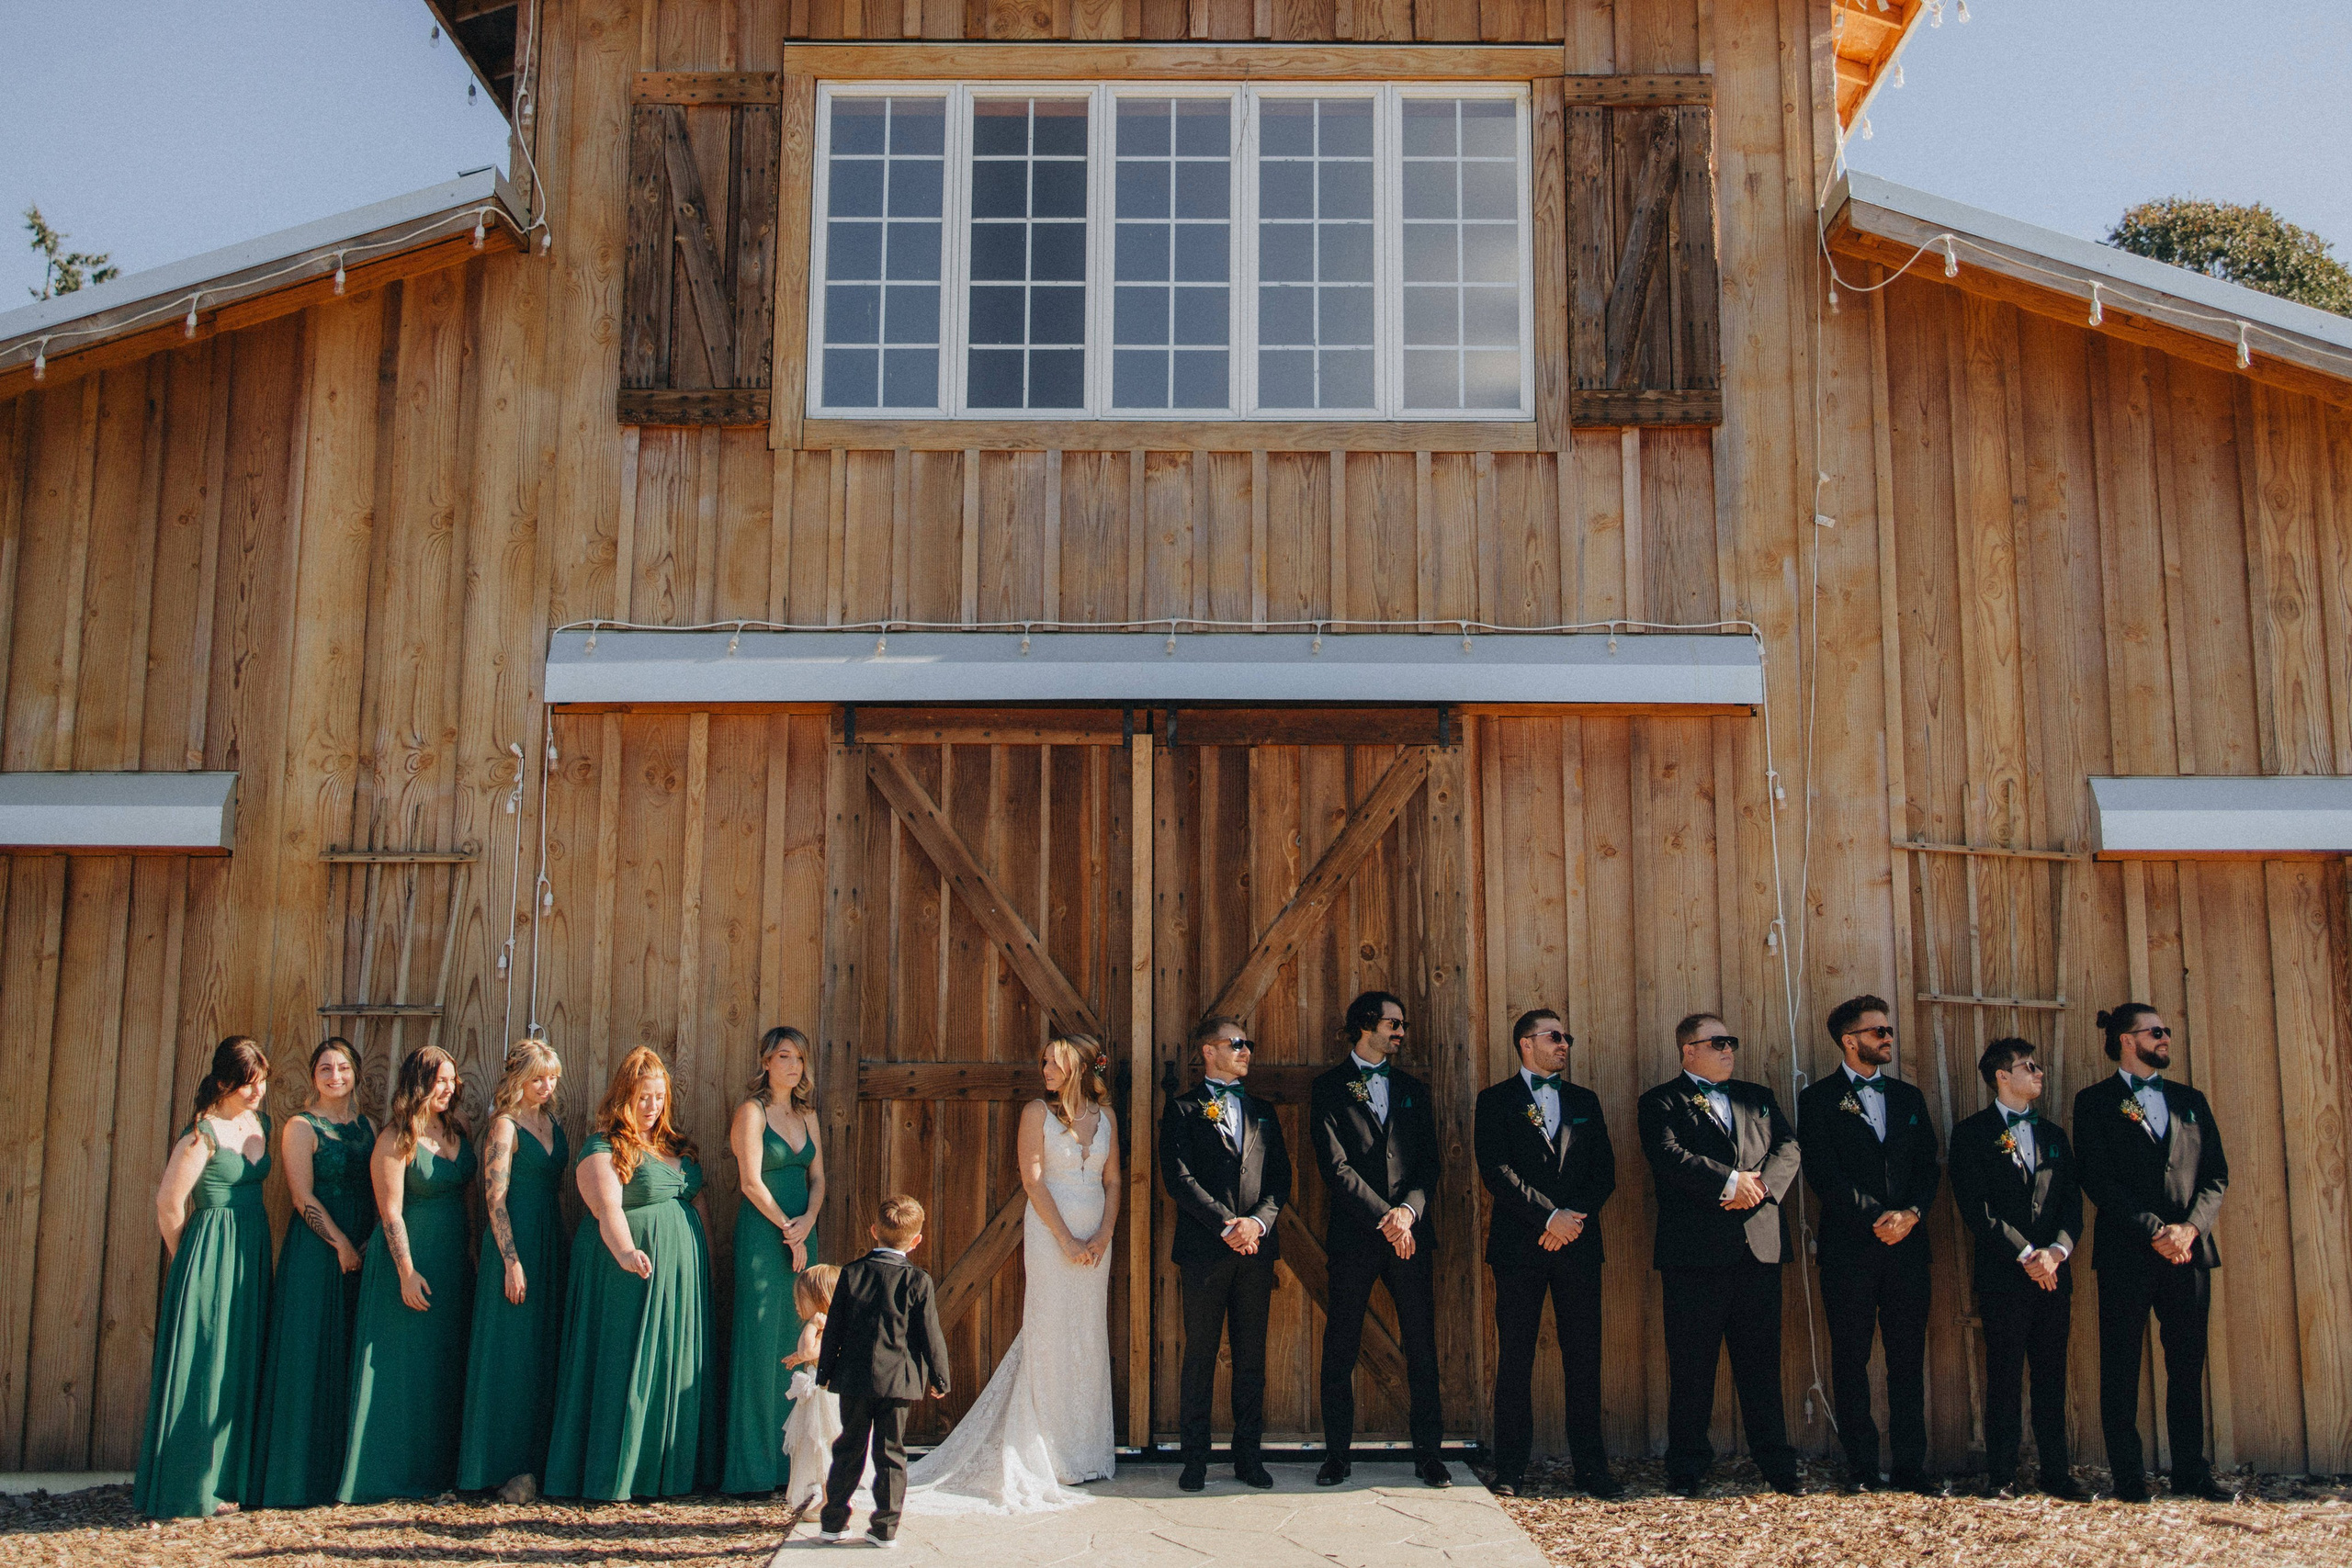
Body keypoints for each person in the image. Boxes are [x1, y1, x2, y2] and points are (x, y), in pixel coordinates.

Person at [904, 1032, 1121, 1511]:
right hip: (1051, 1232)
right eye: (1043, 1061)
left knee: (1087, 1333)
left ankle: (1087, 1451)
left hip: (1096, 1238)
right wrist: (1065, 1238)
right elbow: (1034, 1178)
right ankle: (1048, 1450)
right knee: (1050, 1330)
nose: (1045, 1070)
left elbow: (1113, 1178)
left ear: (1082, 1069)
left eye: (1056, 1064)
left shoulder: (1105, 1118)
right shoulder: (1035, 1114)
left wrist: (1103, 1235)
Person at [1636, 1012, 1804, 1497]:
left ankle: (1776, 1464)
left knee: (1762, 1363)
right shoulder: (1660, 1101)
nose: (1729, 1049)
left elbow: (1788, 1147)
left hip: (1759, 1246)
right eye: (1718, 1043)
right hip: (1695, 1253)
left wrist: (1760, 1188)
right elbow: (1667, 1156)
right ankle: (1687, 1464)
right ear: (1689, 1050)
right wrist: (1729, 1181)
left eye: (1731, 1041)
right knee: (1691, 1364)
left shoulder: (1759, 1096)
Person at [545, 1045, 720, 1499]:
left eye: (659, 1098)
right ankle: (617, 1473)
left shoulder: (675, 1145)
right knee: (623, 1364)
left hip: (681, 1279)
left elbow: (698, 1203)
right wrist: (626, 1252)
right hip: (626, 1274)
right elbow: (606, 1208)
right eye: (643, 1097)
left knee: (669, 1364)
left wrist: (708, 1264)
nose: (652, 1107)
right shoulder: (603, 1146)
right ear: (624, 1095)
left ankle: (670, 1471)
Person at [2074, 1004, 2230, 1503]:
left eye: (2166, 1032)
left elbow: (2215, 1176)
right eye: (2155, 1032)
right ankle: (2129, 1478)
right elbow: (2097, 1178)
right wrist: (2155, 1229)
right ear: (2126, 1039)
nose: (2165, 1039)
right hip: (2127, 1252)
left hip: (2189, 1254)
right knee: (2120, 1364)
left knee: (2186, 1363)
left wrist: (2189, 1229)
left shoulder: (2190, 1100)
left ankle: (2191, 1472)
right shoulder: (2094, 1102)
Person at [1797, 995, 1941, 1494]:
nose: (1887, 1038)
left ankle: (1910, 1466)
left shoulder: (1909, 1098)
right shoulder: (1818, 1099)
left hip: (1908, 1248)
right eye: (1877, 1030)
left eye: (1889, 1030)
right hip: (1850, 1248)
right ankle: (1860, 1465)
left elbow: (1928, 1166)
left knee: (1907, 1357)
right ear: (1849, 1040)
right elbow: (1823, 1172)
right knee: (1851, 1355)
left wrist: (1912, 1214)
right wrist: (1875, 1215)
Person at [1474, 1008, 1619, 1499]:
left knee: (1584, 1357)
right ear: (1525, 1043)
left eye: (1567, 1037)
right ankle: (1510, 1468)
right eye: (1554, 1037)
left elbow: (1604, 1171)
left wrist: (1571, 1217)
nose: (1564, 1045)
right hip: (1520, 1246)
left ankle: (1592, 1469)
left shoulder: (1584, 1100)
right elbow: (1496, 1171)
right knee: (1515, 1357)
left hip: (1577, 1244)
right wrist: (1546, 1217)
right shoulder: (1494, 1101)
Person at [1309, 991, 1447, 1488]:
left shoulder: (1413, 1087)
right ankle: (1337, 1456)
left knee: (1422, 1346)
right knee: (1340, 1344)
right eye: (1394, 1023)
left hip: (1411, 1236)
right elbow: (1335, 1165)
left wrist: (1408, 1212)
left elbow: (1429, 1162)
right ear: (1366, 1025)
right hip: (1354, 1236)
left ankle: (1429, 1455)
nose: (1402, 1033)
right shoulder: (1328, 1088)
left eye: (1402, 1024)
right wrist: (1385, 1217)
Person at [133, 1037, 273, 1518]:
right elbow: (169, 1204)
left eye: (261, 1082)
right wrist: (187, 1262)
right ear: (222, 1081)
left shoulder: (261, 1124)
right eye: (248, 1084)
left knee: (239, 1359)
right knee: (206, 1365)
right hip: (210, 1251)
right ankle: (190, 1485)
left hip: (252, 1250)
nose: (257, 1092)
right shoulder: (201, 1135)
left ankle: (231, 1479)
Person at [338, 1044, 478, 1504]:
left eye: (452, 1079)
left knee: (442, 1364)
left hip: (453, 1258)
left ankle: (438, 1470)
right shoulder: (395, 1137)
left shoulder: (459, 1128)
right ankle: (385, 1475)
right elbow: (390, 1213)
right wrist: (405, 1271)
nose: (448, 1087)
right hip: (409, 1261)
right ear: (418, 1083)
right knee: (401, 1367)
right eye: (439, 1080)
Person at [1159, 1013, 1290, 1494]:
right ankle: (1194, 1460)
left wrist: (1256, 1223)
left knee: (1251, 1357)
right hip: (1204, 1251)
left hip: (1256, 1249)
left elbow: (1280, 1180)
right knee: (1200, 1355)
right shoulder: (1183, 1110)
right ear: (1208, 1051)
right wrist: (1226, 1224)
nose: (1246, 1051)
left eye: (1248, 1043)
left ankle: (1247, 1458)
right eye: (1236, 1044)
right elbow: (1179, 1178)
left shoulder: (1263, 1112)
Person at [1950, 1037, 2083, 1500]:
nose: (2039, 1072)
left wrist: (2057, 1253)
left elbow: (2071, 1208)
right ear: (2001, 1076)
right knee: (2004, 1375)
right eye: (2029, 1066)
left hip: (2054, 1276)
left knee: (2052, 1375)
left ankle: (2057, 1474)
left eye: (2039, 1064)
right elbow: (1977, 1209)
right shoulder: (1971, 1134)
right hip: (2005, 1275)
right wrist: (2028, 1254)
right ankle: (2001, 1475)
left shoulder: (2054, 1136)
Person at [254, 1037, 377, 1508]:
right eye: (325, 1068)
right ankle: (294, 1480)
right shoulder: (301, 1127)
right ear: (313, 1077)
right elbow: (302, 1194)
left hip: (364, 1250)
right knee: (308, 1355)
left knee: (350, 1353)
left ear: (356, 1073)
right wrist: (341, 1243)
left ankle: (341, 1476)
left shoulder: (368, 1126)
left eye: (343, 1067)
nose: (334, 1076)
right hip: (316, 1253)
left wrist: (367, 1241)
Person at [458, 1039, 571, 1499]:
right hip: (515, 1246)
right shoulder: (503, 1127)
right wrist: (510, 1259)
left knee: (542, 1349)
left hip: (550, 1238)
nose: (546, 1086)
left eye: (552, 1078)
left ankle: (538, 1462)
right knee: (511, 1351)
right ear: (517, 1079)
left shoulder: (551, 1121)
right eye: (538, 1078)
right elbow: (494, 1198)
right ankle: (499, 1465)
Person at [725, 1026, 828, 1495]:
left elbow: (819, 1179)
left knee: (803, 1336)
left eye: (800, 1059)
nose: (793, 1066)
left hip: (804, 1234)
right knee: (762, 1341)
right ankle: (754, 1467)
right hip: (765, 1238)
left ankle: (798, 1466)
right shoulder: (752, 1112)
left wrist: (807, 1219)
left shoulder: (809, 1116)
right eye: (784, 1056)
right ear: (766, 1061)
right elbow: (750, 1181)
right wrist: (788, 1229)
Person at [817, 1194, 953, 1547]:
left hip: (855, 1380)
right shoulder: (918, 1280)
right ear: (916, 1240)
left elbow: (834, 1329)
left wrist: (824, 1371)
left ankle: (833, 1523)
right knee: (892, 1453)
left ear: (874, 1231)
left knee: (849, 1447)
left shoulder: (851, 1273)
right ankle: (884, 1528)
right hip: (899, 1382)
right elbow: (929, 1334)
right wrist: (940, 1376)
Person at [780, 1263, 851, 1513]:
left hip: (826, 1401)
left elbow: (810, 1350)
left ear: (821, 1300)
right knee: (819, 1447)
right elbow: (812, 1355)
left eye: (802, 1299)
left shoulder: (826, 1329)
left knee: (824, 1445)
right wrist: (800, 1358)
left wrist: (810, 1327)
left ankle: (831, 1499)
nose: (797, 1304)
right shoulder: (830, 1329)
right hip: (821, 1397)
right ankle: (827, 1495)